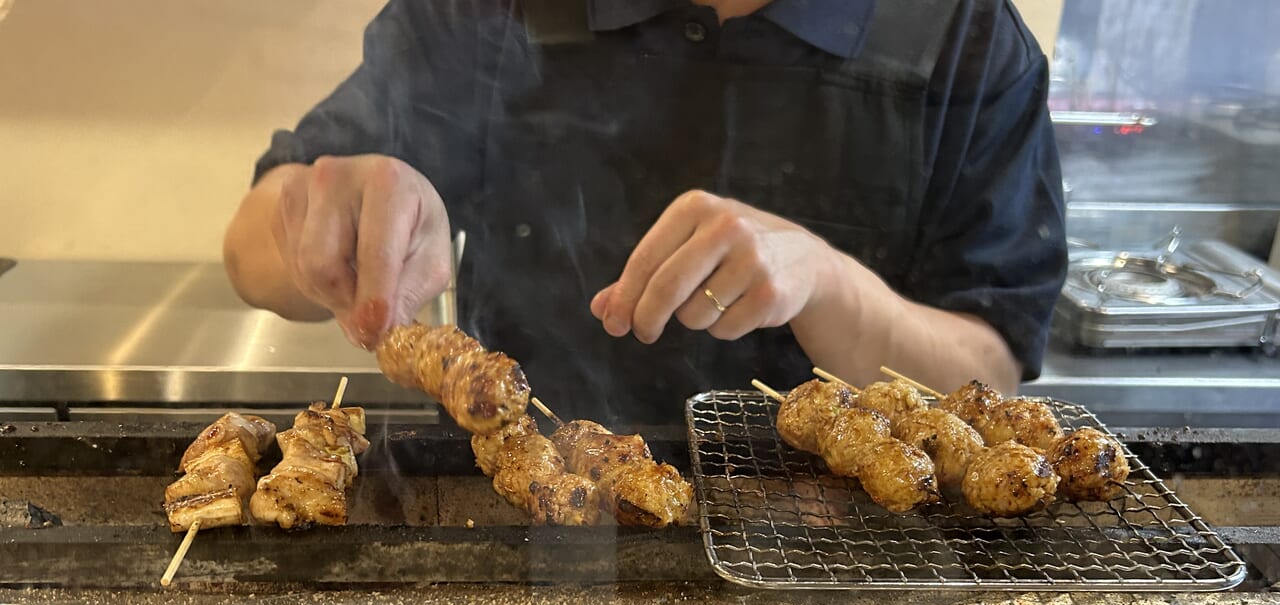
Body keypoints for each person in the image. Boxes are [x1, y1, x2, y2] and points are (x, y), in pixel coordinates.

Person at [223, 0, 1066, 424]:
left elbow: (988, 374)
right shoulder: (488, 9)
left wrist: (834, 287)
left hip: (842, 565)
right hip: (530, 539)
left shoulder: (962, 33)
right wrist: (320, 217)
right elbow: (250, 252)